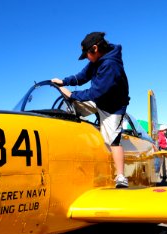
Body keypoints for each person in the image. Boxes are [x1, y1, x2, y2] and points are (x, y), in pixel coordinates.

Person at [51, 32, 130, 188]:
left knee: (112, 141)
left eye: (87, 54)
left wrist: (72, 95)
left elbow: (97, 92)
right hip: (99, 100)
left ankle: (121, 176)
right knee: (68, 110)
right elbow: (83, 75)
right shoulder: (97, 58)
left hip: (112, 107)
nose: (87, 57)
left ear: (95, 48)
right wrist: (64, 81)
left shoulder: (111, 64)